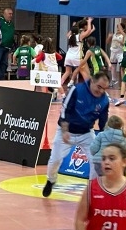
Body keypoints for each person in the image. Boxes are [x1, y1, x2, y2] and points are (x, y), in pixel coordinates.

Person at [42, 70, 110, 198]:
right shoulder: (77, 90)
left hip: (86, 133)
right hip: (66, 130)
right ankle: (51, 180)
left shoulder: (104, 100)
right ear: (92, 81)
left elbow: (103, 122)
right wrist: (65, 130)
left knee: (96, 161)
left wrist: (104, 139)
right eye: (99, 87)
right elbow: (65, 110)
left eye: (104, 89)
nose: (101, 91)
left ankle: (93, 190)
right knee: (55, 159)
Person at [89, 114, 126, 179]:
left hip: (99, 162)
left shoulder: (101, 135)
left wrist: (97, 156)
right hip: (115, 164)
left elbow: (93, 149)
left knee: (101, 180)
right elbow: (124, 153)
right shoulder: (123, 137)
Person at [0, 6, 15, 80]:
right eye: (9, 14)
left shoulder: (11, 23)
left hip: (7, 46)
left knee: (4, 63)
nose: (11, 15)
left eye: (12, 14)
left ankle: (1, 77)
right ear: (4, 14)